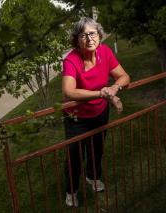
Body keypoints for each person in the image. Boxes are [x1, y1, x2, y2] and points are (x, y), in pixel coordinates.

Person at [61, 17, 130, 207]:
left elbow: (124, 77)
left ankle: (92, 177)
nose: (89, 38)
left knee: (96, 150)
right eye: (83, 35)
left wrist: (114, 89)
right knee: (74, 157)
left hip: (99, 113)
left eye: (92, 33)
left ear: (99, 36)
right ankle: (71, 191)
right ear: (76, 40)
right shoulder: (71, 60)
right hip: (76, 118)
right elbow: (69, 91)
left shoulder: (105, 52)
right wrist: (102, 93)